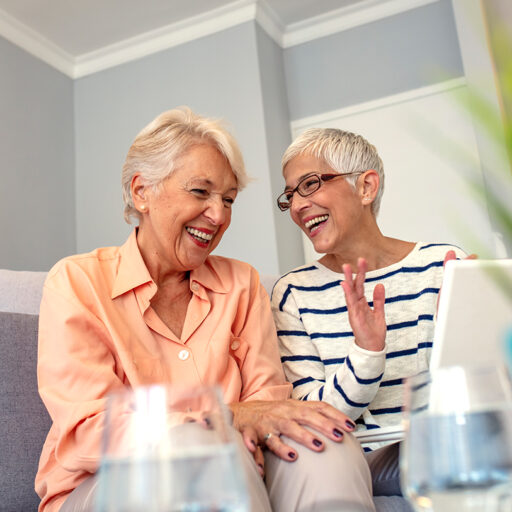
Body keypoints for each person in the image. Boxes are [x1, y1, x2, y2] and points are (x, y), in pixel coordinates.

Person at [36, 108, 377, 512]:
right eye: (200, 192)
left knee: (321, 443)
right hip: (105, 487)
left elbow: (269, 406)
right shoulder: (76, 282)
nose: (218, 216)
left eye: (228, 200)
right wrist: (226, 417)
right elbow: (91, 432)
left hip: (240, 472)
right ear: (142, 191)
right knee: (199, 451)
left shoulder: (242, 284)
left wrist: (255, 423)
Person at [271, 128, 467, 508]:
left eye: (309, 184)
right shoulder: (293, 293)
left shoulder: (442, 265)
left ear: (366, 187)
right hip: (364, 460)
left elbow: (475, 389)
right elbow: (314, 417)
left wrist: (467, 331)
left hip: (447, 443)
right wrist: (367, 352)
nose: (296, 205)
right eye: (290, 194)